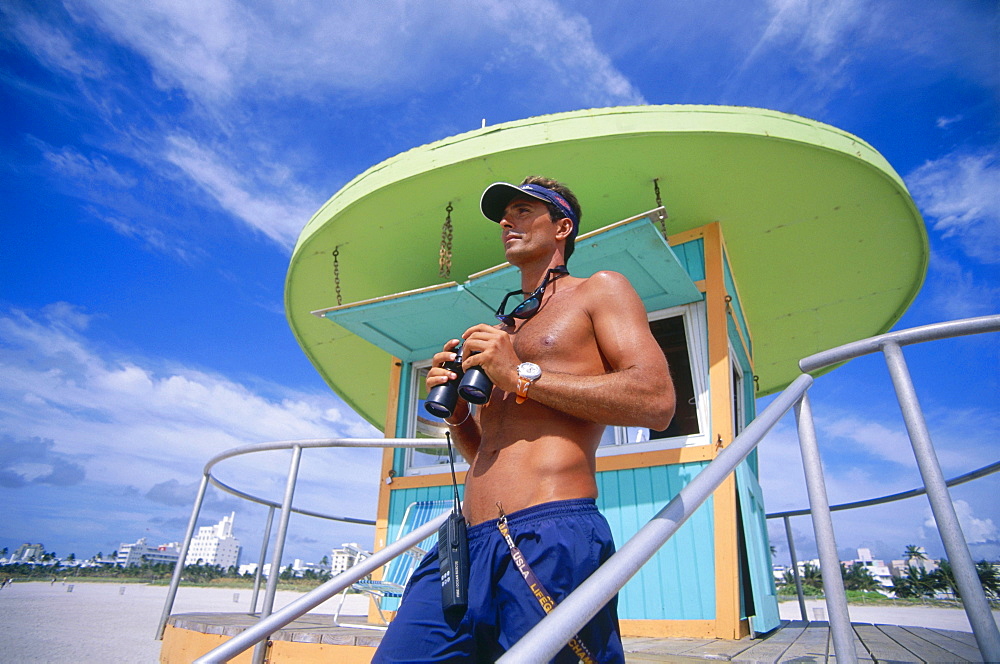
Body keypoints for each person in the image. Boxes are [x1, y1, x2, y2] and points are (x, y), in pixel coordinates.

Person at [373, 176, 675, 663]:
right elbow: (490, 452)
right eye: (502, 216)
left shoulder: (598, 290)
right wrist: (458, 418)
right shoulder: (502, 329)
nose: (506, 222)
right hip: (466, 545)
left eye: (521, 210)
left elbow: (656, 401)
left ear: (562, 227)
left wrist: (517, 375)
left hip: (549, 532)